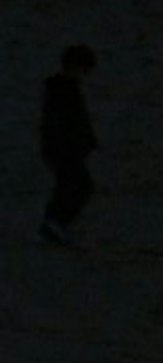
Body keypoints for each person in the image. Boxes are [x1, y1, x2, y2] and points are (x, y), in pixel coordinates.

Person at [39, 44, 97, 247]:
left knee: (72, 185)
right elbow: (65, 121)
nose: (85, 75)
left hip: (64, 148)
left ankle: (54, 224)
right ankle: (55, 223)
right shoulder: (63, 90)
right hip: (63, 148)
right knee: (78, 185)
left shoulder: (64, 88)